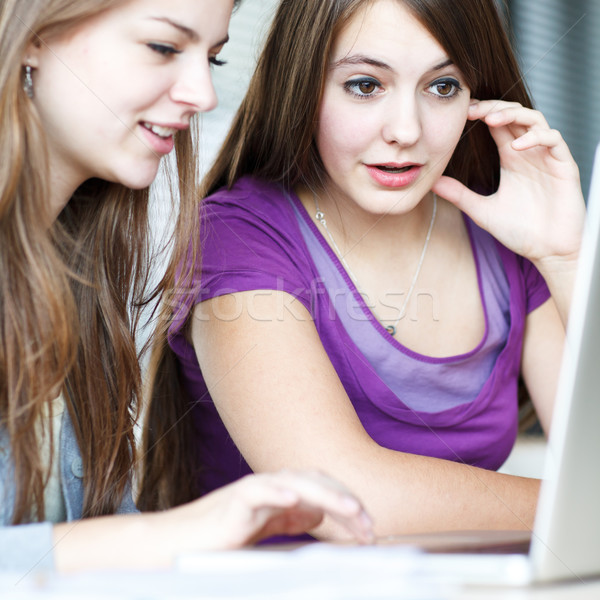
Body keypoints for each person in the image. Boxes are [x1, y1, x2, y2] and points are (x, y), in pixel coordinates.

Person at [141, 0, 586, 541]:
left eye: (442, 87)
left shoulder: (505, 238)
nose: (406, 130)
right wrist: (578, 507)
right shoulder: (238, 235)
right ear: (304, 86)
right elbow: (344, 499)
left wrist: (564, 258)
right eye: (365, 85)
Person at [0, 0, 375, 574]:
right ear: (33, 38)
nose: (203, 95)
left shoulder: (79, 276)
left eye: (214, 60)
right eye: (163, 48)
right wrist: (183, 530)